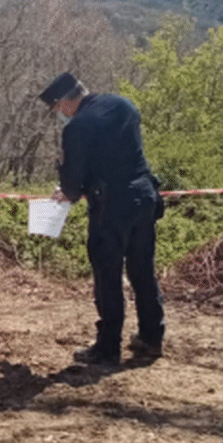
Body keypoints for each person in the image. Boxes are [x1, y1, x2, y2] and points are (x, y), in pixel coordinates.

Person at [39, 72, 164, 366]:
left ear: (66, 101)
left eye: (58, 107)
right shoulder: (124, 105)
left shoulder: (78, 127)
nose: (60, 114)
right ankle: (151, 337)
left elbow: (72, 182)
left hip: (111, 206)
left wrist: (67, 190)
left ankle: (108, 347)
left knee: (108, 276)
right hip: (144, 197)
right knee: (143, 270)